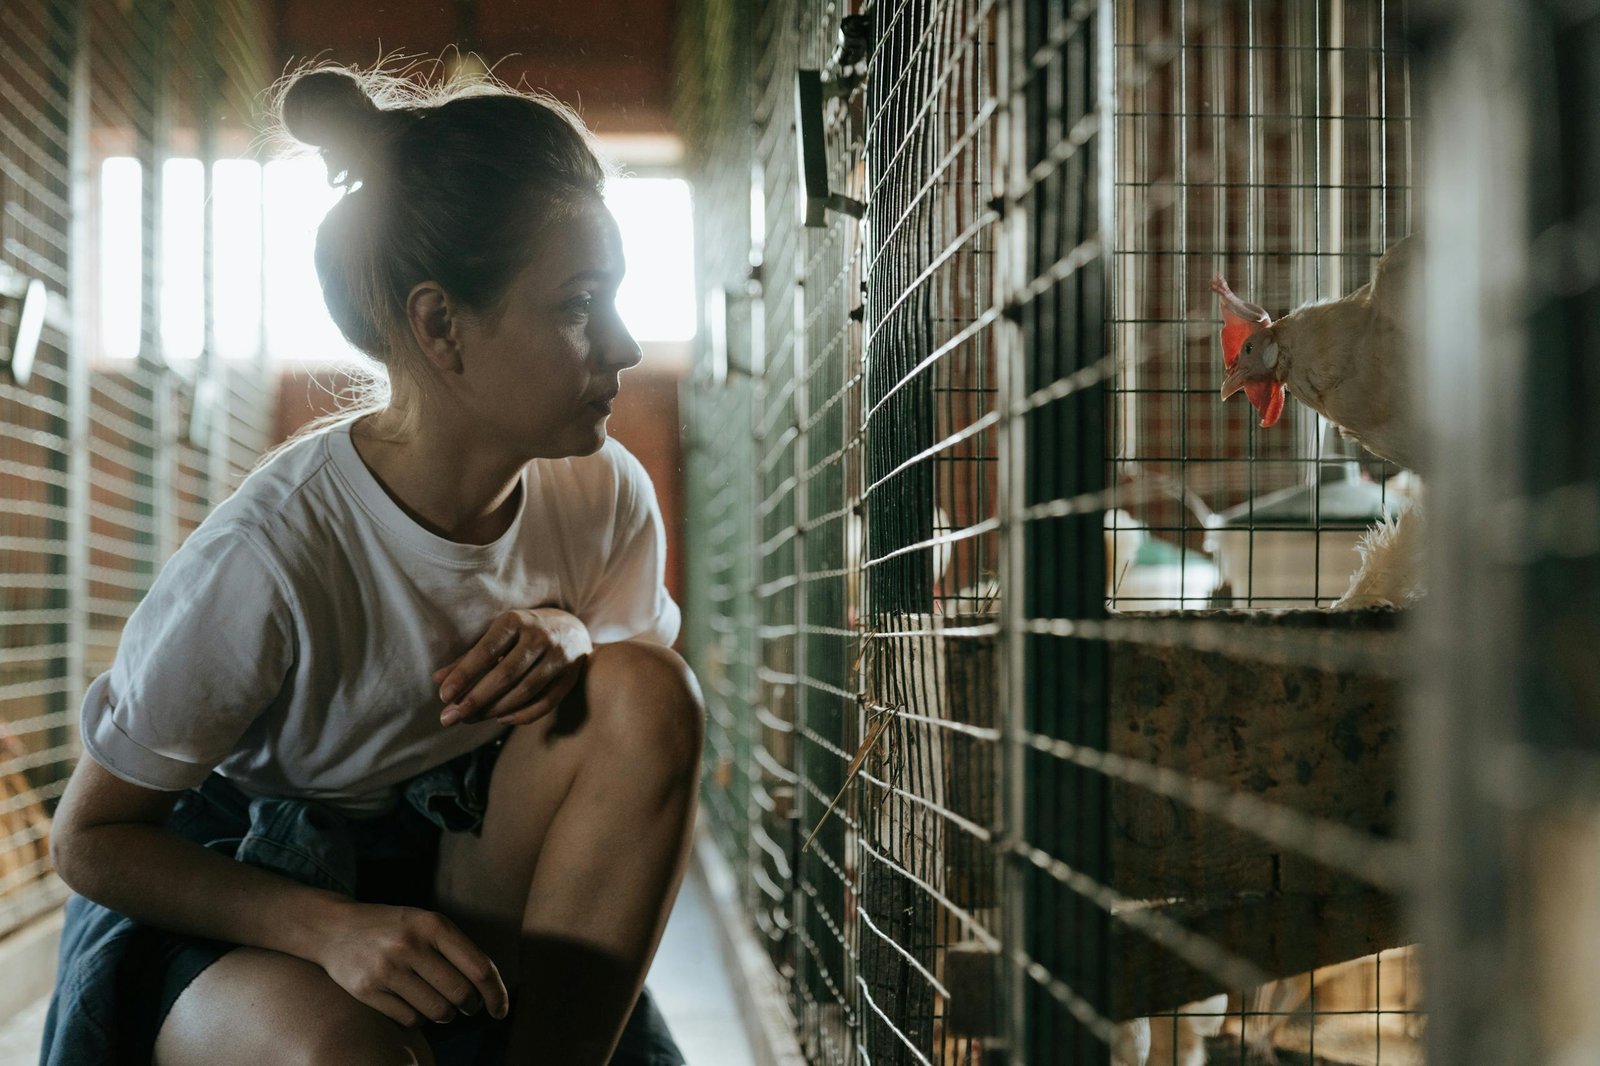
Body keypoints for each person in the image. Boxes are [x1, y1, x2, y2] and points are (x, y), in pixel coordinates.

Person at [40, 64, 702, 1066]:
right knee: (355, 1058)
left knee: (649, 688)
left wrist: (568, 634)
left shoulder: (602, 490)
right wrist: (327, 928)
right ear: (440, 326)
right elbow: (88, 840)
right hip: (254, 886)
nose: (620, 342)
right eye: (579, 303)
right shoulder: (269, 551)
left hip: (460, 851)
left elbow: (622, 727)